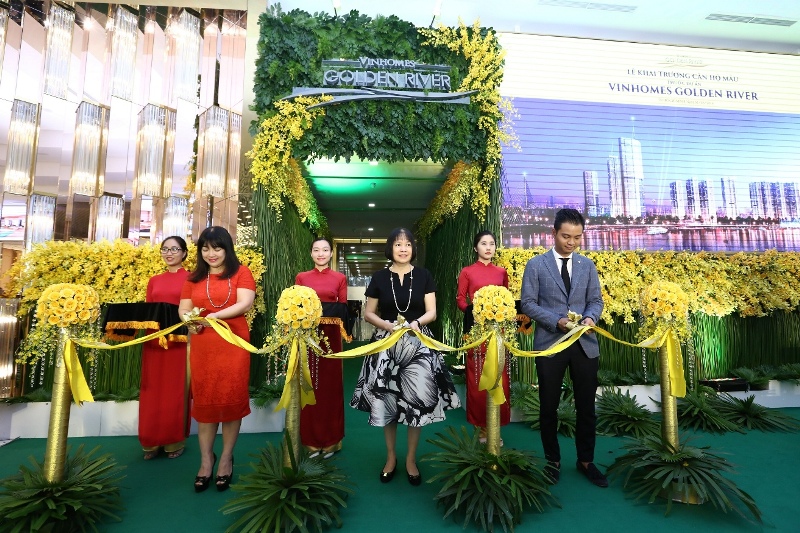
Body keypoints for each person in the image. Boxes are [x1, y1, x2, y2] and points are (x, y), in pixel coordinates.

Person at [351, 227, 460, 486]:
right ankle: (391, 457)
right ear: (390, 248)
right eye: (398, 244)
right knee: (387, 401)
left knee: (416, 403)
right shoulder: (379, 277)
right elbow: (369, 313)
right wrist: (387, 325)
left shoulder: (424, 275)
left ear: (413, 249)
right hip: (386, 344)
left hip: (417, 343)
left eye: (408, 244)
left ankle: (411, 459)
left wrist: (416, 323)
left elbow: (432, 311)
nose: (403, 249)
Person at [520, 208, 607, 488]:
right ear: (554, 233)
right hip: (551, 344)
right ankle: (552, 461)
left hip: (584, 345)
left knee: (586, 407)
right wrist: (555, 321)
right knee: (548, 406)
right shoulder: (536, 265)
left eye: (577, 237)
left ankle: (586, 461)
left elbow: (596, 300)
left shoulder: (587, 265)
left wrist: (590, 318)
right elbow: (528, 304)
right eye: (566, 236)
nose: (571, 242)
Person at [179, 226, 256, 493]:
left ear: (227, 249)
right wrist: (189, 321)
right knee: (206, 402)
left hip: (233, 343)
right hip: (203, 344)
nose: (211, 254)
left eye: (217, 248)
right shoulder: (193, 277)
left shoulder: (241, 272)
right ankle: (205, 461)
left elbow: (245, 303)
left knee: (231, 399)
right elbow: (184, 308)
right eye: (205, 249)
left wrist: (214, 317)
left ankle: (225, 459)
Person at [295, 237, 348, 458]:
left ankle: (331, 441)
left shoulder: (340, 278)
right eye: (316, 250)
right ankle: (310, 441)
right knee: (309, 384)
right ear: (311, 253)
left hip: (332, 338)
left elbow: (343, 308)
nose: (321, 254)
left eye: (325, 250)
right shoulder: (302, 277)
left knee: (330, 387)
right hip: (307, 336)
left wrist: (317, 311)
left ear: (331, 253)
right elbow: (296, 306)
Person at [140, 236, 191, 460]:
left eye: (174, 249)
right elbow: (149, 309)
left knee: (174, 388)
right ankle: (150, 440)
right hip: (154, 340)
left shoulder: (192, 278)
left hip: (179, 341)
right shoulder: (154, 280)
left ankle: (174, 440)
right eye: (165, 249)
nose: (169, 253)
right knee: (152, 389)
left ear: (184, 253)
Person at [456, 230, 511, 442]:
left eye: (492, 244)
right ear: (475, 247)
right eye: (483, 243)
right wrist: (474, 311)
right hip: (477, 332)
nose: (488, 247)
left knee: (500, 378)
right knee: (478, 378)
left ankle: (496, 427)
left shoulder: (502, 272)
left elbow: (507, 299)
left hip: (499, 332)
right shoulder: (467, 272)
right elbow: (461, 299)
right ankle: (482, 427)